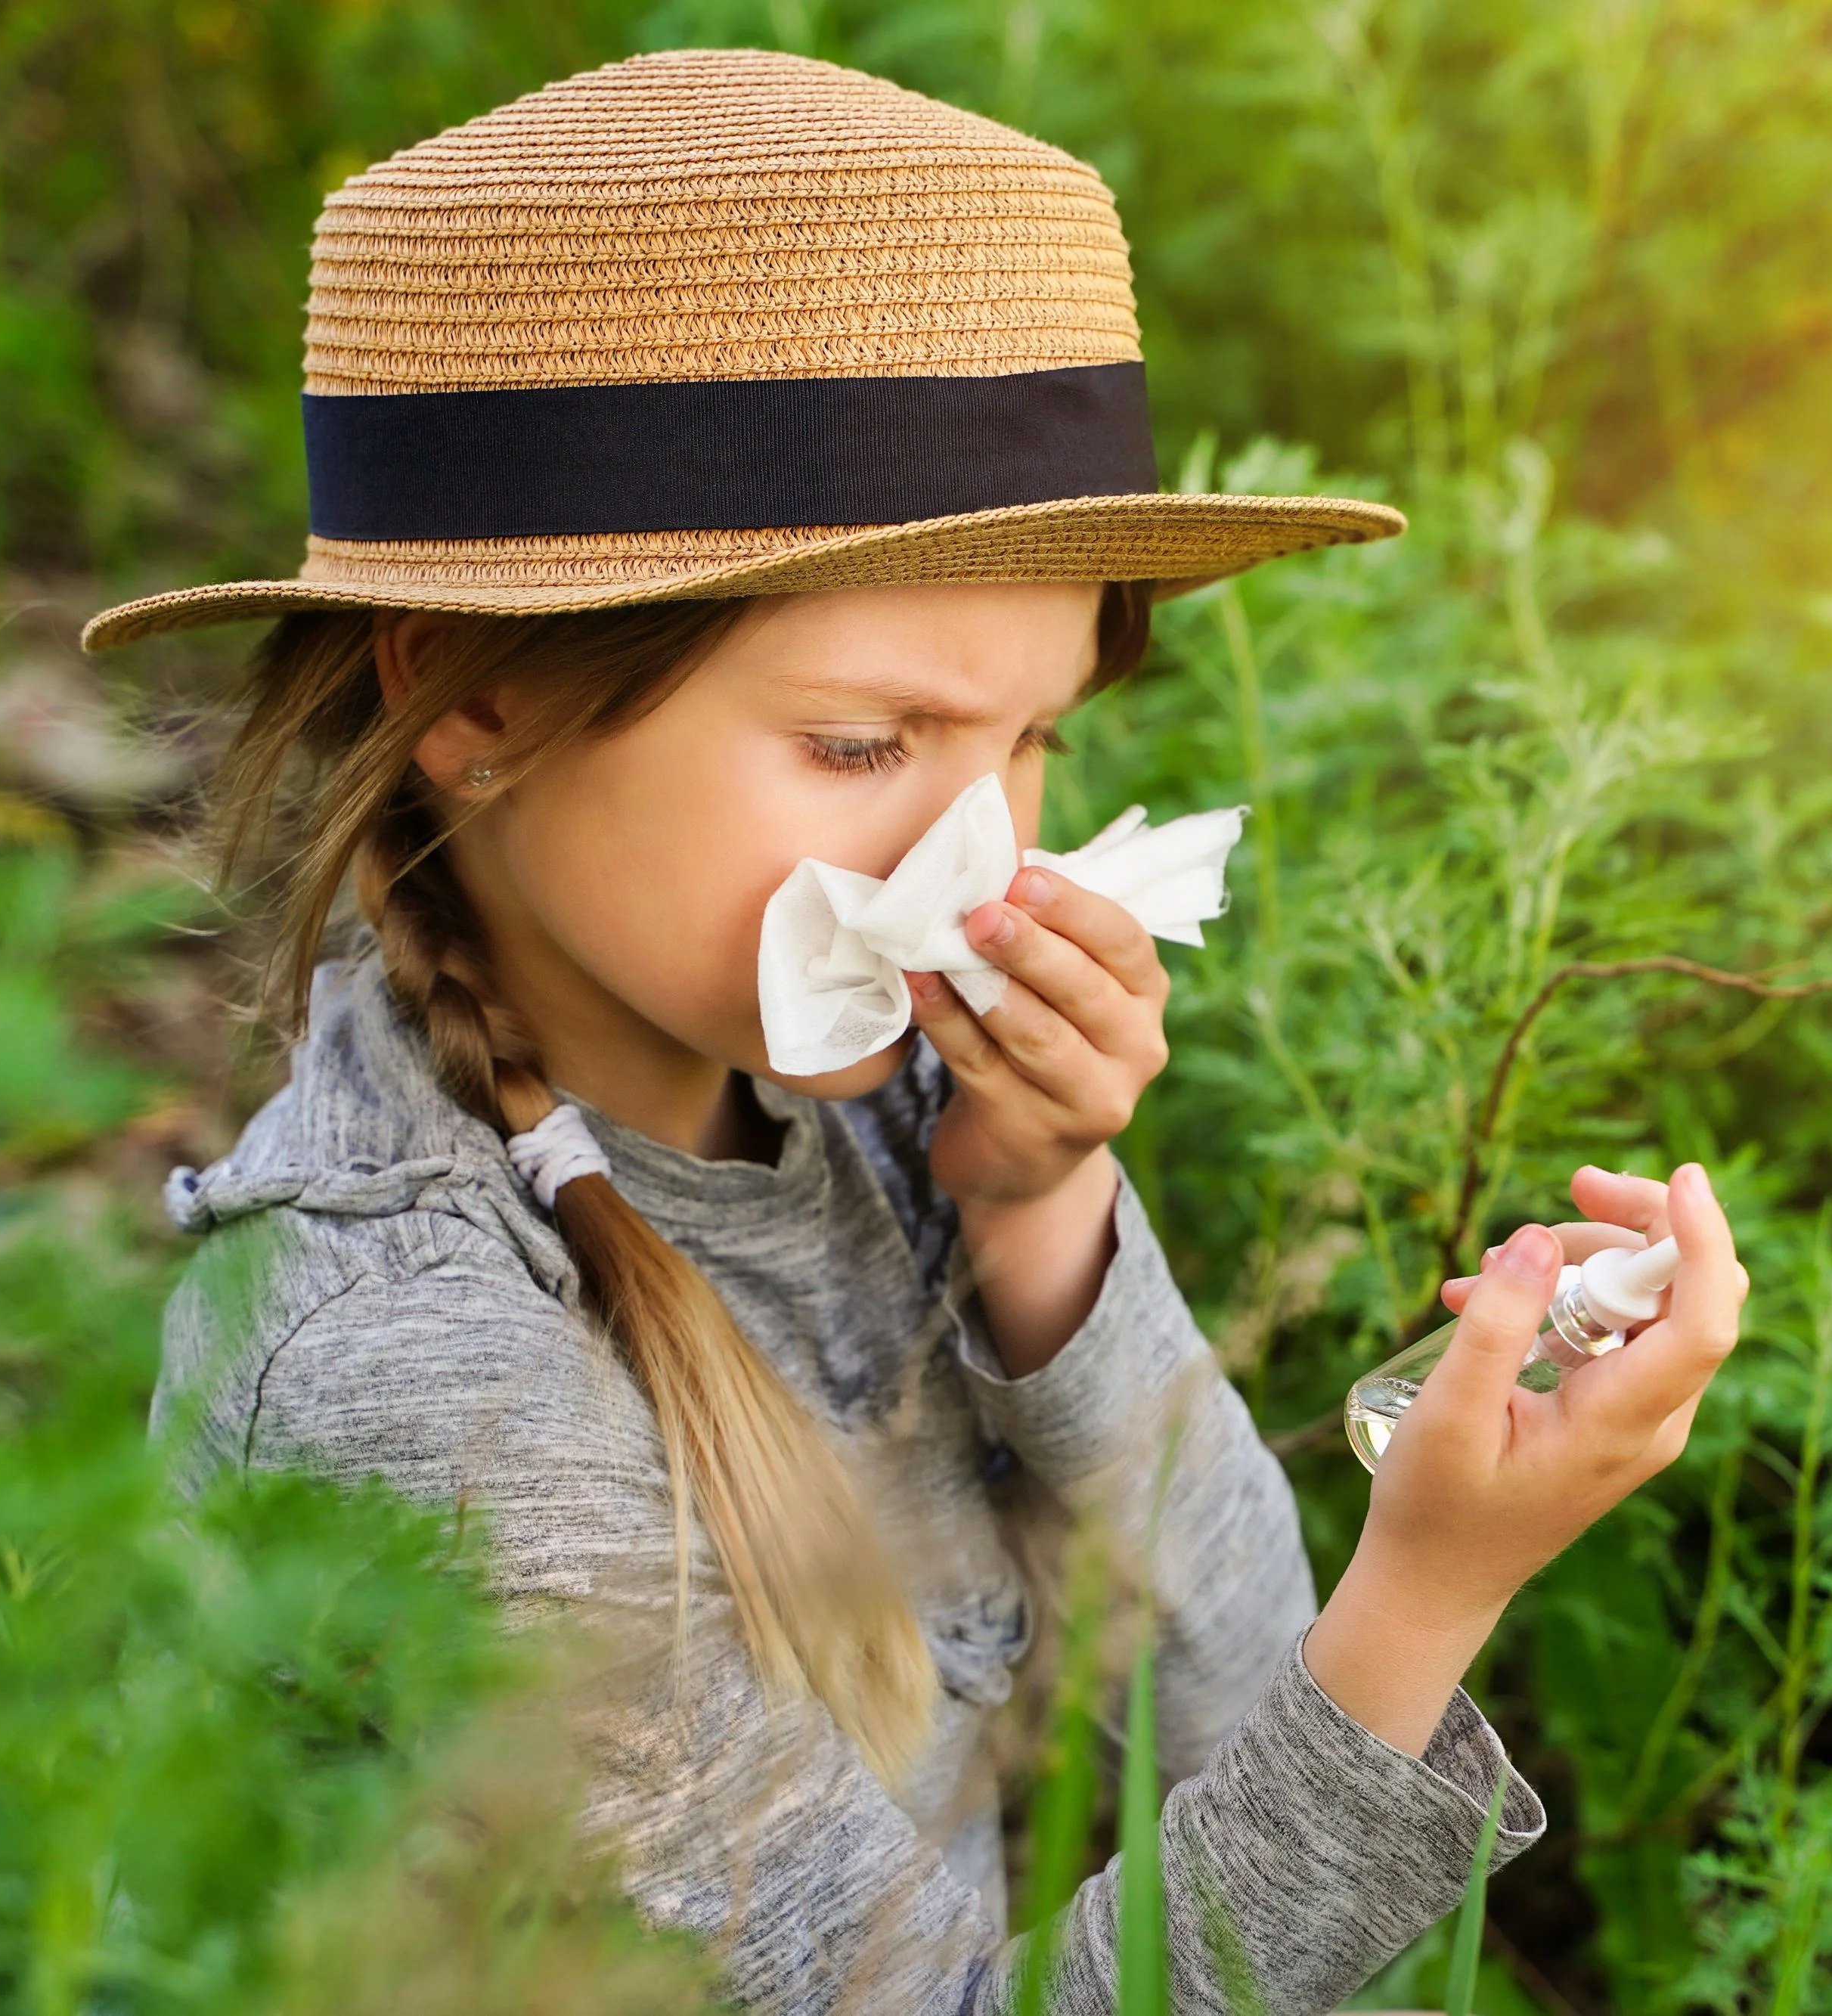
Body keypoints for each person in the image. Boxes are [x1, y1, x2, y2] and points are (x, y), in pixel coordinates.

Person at [97, 48, 1745, 2014]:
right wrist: (1437, 1593)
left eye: (1033, 741)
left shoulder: (869, 1120)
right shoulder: (414, 1373)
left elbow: (1218, 1747)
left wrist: (1043, 1213)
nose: (973, 861)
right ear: (466, 689)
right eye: (863, 745)